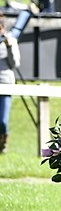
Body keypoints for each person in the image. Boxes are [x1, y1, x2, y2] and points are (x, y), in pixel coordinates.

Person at [0, 19, 20, 155]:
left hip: (5, 83)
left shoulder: (10, 40)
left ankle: (2, 143)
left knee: (2, 121)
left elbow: (14, 64)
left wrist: (9, 46)